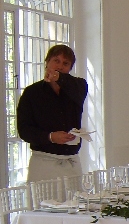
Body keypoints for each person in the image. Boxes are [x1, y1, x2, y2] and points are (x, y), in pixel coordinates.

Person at [17, 44, 88, 182]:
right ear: (47, 62)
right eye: (56, 61)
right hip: (44, 163)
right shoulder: (31, 93)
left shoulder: (78, 87)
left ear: (70, 68)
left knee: (76, 202)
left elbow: (74, 85)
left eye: (65, 63)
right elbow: (24, 130)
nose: (60, 66)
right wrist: (50, 137)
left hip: (71, 162)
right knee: (43, 203)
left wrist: (58, 78)